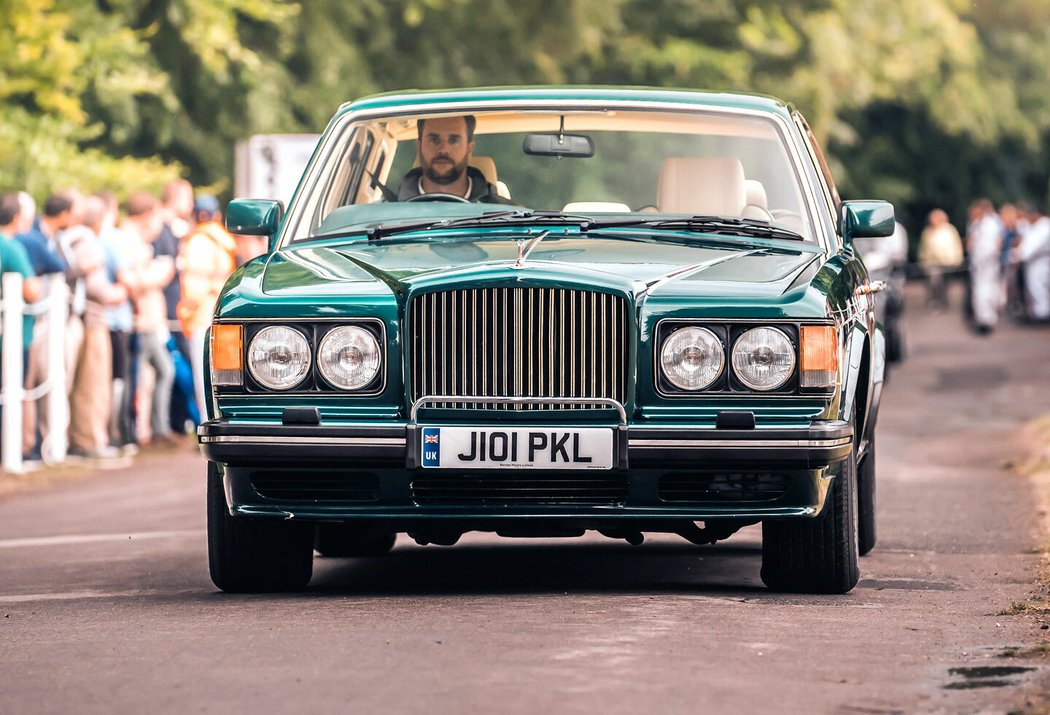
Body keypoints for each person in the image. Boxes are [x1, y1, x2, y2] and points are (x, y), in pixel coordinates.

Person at [121, 192, 177, 446]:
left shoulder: (137, 240)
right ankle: (147, 430)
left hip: (149, 320)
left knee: (153, 374)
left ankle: (152, 429)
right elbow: (135, 279)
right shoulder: (130, 241)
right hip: (142, 320)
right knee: (150, 375)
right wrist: (162, 272)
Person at [177, 195, 237, 422]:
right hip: (221, 315)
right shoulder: (224, 241)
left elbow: (193, 289)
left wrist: (186, 313)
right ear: (218, 216)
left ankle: (206, 423)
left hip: (201, 316)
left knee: (203, 379)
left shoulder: (197, 242)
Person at [397, 115, 510, 203]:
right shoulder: (388, 213)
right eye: (434, 140)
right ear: (419, 146)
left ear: (469, 149)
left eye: (454, 140)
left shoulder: (507, 217)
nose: (443, 149)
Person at [966, 198, 1004, 334]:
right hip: (980, 264)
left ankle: (986, 320)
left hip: (985, 265)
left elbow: (989, 248)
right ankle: (983, 319)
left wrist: (980, 261)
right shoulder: (979, 224)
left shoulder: (989, 225)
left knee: (984, 292)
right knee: (982, 291)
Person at [918, 208, 964, 309]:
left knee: (945, 284)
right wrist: (922, 261)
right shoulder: (928, 231)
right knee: (933, 283)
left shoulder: (950, 229)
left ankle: (944, 302)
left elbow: (956, 245)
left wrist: (958, 259)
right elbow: (923, 247)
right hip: (931, 262)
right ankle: (934, 301)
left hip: (947, 262)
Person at [1017, 204, 1050, 322]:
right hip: (1032, 263)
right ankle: (1037, 312)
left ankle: (1043, 313)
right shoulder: (1034, 226)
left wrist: (1021, 255)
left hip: (1040, 262)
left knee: (1039, 287)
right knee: (1032, 287)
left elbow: (1033, 247)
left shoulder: (1045, 226)